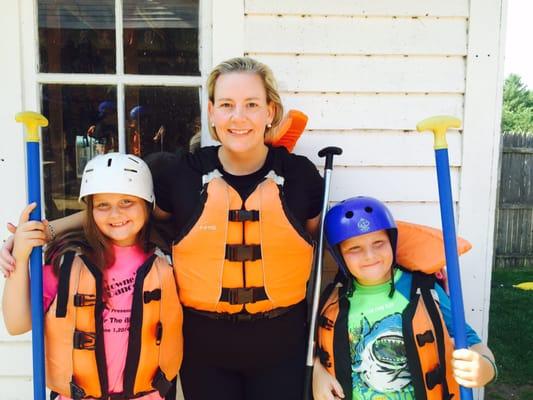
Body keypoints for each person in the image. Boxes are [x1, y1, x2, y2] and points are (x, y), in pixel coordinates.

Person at [1, 57, 324, 400]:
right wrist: (45, 231)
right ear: (212, 112)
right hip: (205, 350)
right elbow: (121, 208)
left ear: (270, 111)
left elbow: (316, 240)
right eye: (227, 105)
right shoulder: (180, 174)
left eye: (252, 105)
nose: (238, 117)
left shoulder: (301, 176)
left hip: (283, 344)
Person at [2, 153, 183, 400]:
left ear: (147, 204)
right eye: (102, 205)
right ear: (90, 210)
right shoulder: (67, 262)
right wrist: (21, 259)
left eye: (127, 202)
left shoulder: (167, 260)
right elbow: (17, 324)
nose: (115, 215)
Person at [312, 196, 497, 400]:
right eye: (354, 249)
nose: (370, 256)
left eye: (379, 243)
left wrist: (485, 367)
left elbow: (472, 341)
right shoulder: (333, 299)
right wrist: (317, 372)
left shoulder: (424, 290)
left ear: (392, 243)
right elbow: (314, 351)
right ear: (339, 255)